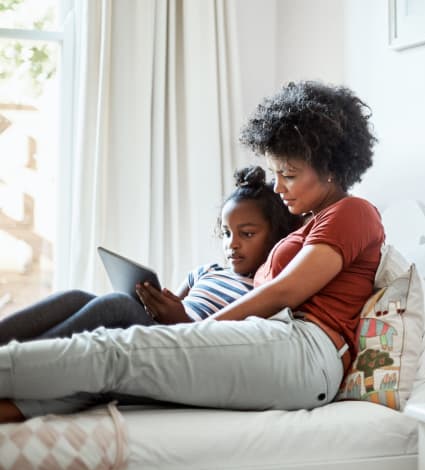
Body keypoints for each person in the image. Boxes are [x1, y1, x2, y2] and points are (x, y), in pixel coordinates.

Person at [0, 80, 385, 423]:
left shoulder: (353, 212)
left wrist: (198, 331)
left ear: (330, 167)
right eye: (277, 174)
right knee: (110, 376)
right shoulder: (307, 225)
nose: (280, 187)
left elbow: (285, 292)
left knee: (114, 351)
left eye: (289, 174)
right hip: (276, 342)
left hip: (306, 352)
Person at [0, 166, 301, 344]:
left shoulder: (262, 291)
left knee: (117, 305)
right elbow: (174, 304)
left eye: (246, 234)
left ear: (276, 235)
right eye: (226, 233)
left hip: (178, 344)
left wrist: (179, 319)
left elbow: (224, 338)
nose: (232, 244)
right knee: (78, 296)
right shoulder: (207, 272)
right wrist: (155, 302)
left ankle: (21, 360)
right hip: (154, 327)